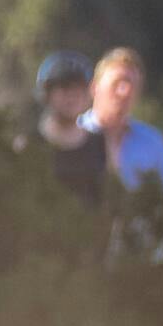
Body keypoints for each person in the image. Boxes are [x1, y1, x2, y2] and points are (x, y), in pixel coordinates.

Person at [82, 49, 163, 192]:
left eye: (132, 85)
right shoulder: (71, 136)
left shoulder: (153, 143)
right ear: (94, 88)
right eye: (117, 83)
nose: (124, 92)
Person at [29, 53, 114, 212]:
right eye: (64, 87)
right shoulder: (30, 145)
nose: (73, 95)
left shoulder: (99, 143)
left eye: (80, 88)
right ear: (47, 93)